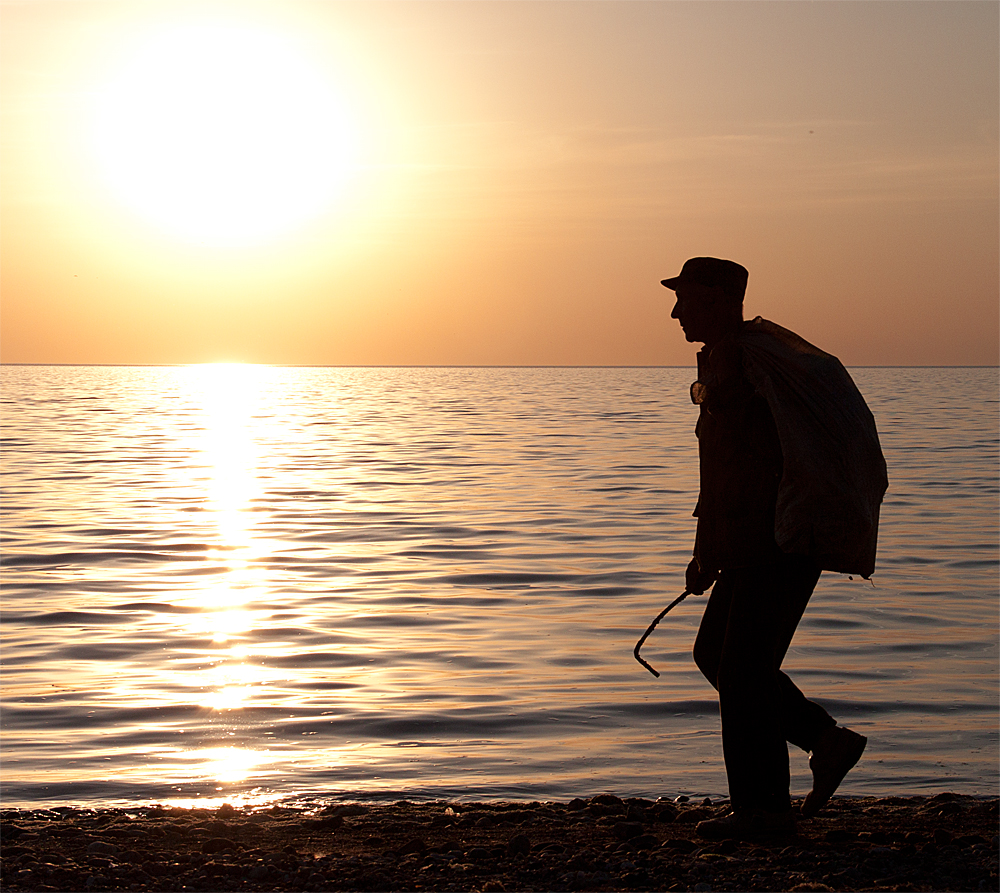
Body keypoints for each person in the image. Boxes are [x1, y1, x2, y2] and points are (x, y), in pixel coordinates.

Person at [661, 257, 888, 841]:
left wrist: (715, 544)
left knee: (740, 670)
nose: (675, 311)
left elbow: (739, 469)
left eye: (684, 298)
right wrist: (707, 546)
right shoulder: (731, 359)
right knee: (718, 656)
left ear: (715, 300)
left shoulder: (745, 364)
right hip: (752, 540)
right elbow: (722, 469)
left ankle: (764, 812)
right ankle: (825, 742)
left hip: (777, 541)